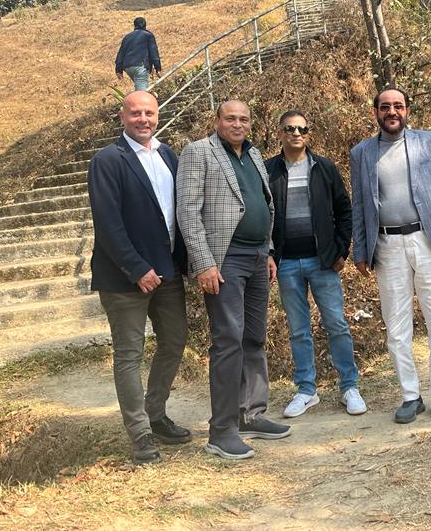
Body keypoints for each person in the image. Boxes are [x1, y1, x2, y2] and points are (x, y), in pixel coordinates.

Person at [176, 99, 291, 460]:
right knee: (228, 341)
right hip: (224, 260)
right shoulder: (199, 152)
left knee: (254, 338)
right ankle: (221, 429)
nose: (237, 124)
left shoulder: (254, 155)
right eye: (230, 118)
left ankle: (251, 414)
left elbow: (264, 204)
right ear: (217, 120)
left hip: (257, 258)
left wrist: (269, 251)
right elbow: (188, 211)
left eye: (243, 119)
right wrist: (204, 264)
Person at [87, 90, 190, 465]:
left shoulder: (168, 155)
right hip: (124, 278)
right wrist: (136, 268)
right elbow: (108, 223)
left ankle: (156, 413)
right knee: (129, 355)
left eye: (149, 113)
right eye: (136, 113)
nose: (143, 119)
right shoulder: (108, 160)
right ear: (122, 116)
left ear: (158, 115)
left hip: (168, 272)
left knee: (175, 340)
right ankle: (141, 434)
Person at [350, 87, 431, 424]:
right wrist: (361, 248)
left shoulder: (427, 141)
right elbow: (359, 204)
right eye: (385, 107)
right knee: (397, 326)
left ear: (407, 110)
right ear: (376, 113)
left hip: (427, 241)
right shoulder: (361, 153)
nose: (392, 112)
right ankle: (410, 395)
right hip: (387, 246)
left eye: (398, 106)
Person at [264, 110, 366, 418]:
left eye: (302, 129)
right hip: (286, 263)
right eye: (290, 128)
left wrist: (340, 251)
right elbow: (260, 214)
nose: (297, 133)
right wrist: (269, 254)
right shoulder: (268, 169)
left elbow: (344, 210)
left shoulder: (324, 168)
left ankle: (349, 386)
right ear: (280, 133)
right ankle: (306, 390)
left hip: (322, 261)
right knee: (298, 329)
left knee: (336, 324)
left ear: (308, 133)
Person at [115, 16, 162, 92]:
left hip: (127, 67)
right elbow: (154, 52)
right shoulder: (148, 35)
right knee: (142, 92)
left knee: (141, 87)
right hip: (140, 66)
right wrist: (158, 69)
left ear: (134, 25)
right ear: (145, 25)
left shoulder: (127, 37)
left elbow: (121, 53)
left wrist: (118, 70)